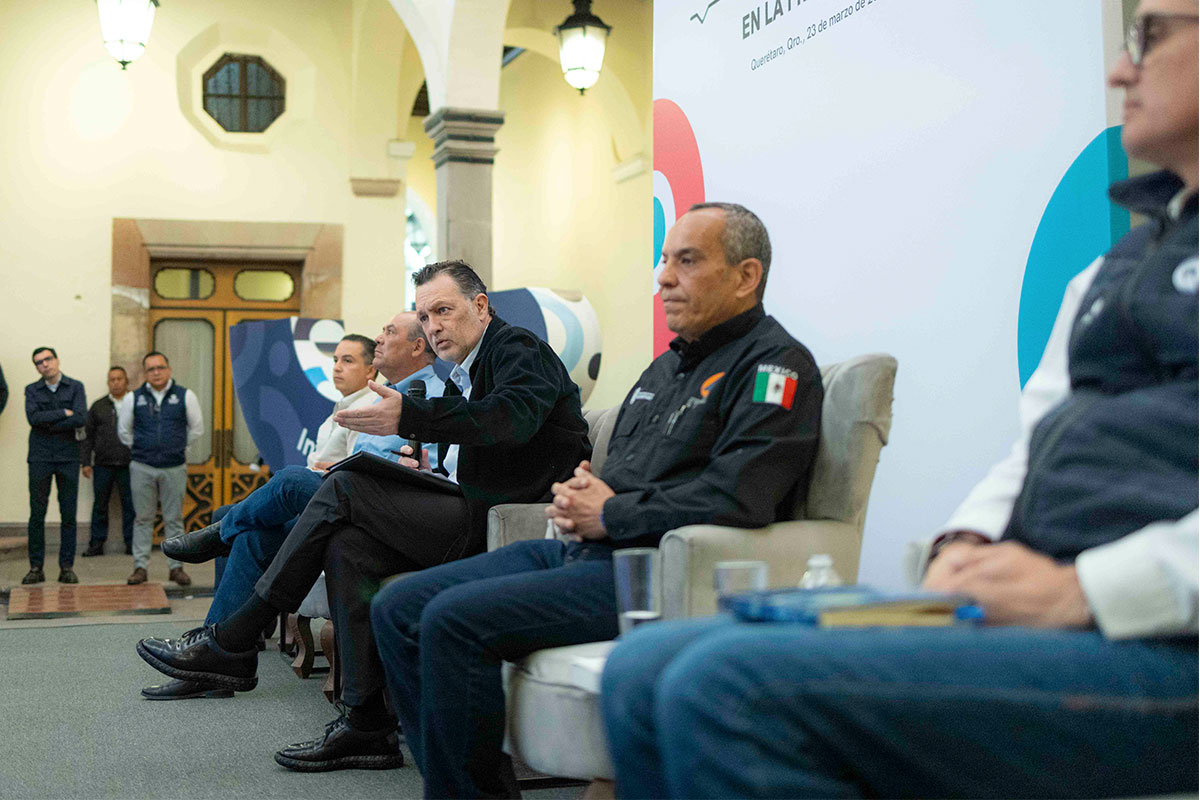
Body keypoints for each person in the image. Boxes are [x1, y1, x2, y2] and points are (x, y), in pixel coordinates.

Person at [599, 5, 1198, 796]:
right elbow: (1035, 444)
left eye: (1151, 36)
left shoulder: (775, 363)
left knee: (726, 688)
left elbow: (736, 490)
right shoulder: (1112, 270)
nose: (1121, 68)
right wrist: (964, 543)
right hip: (1048, 599)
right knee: (641, 669)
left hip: (1159, 632)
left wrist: (1085, 589)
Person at [362, 203, 825, 798]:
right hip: (579, 548)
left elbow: (740, 494)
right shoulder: (666, 367)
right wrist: (582, 491)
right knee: (396, 605)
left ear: (746, 276)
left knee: (450, 620)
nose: (663, 277)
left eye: (686, 261)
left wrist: (609, 511)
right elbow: (617, 471)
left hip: (648, 565)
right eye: (664, 261)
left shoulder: (775, 366)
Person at [136, 260, 592, 772]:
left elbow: (511, 420)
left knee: (343, 485)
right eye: (426, 316)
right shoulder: (464, 371)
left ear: (480, 306)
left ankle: (236, 637)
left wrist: (411, 418)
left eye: (443, 310)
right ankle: (366, 724)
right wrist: (426, 463)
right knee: (348, 545)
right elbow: (481, 449)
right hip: (466, 505)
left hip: (504, 522)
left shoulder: (517, 347)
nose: (434, 326)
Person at [141, 322, 440, 700]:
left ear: (417, 347)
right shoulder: (383, 399)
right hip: (351, 501)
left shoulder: (435, 397)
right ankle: (214, 663)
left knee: (293, 481)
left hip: (387, 515)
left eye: (389, 332)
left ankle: (218, 535)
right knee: (255, 535)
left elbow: (433, 474)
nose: (379, 337)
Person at [118, 351, 203, 587]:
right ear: (145, 373)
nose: (156, 372)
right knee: (142, 519)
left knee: (174, 519)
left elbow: (197, 429)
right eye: (151, 369)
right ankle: (140, 567)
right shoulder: (133, 398)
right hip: (142, 467)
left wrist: (177, 447)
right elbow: (124, 432)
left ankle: (176, 568)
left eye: (160, 368)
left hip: (174, 467)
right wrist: (143, 448)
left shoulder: (185, 396)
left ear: (169, 369)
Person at [23, 347, 87, 585]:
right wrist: (62, 413)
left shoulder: (75, 386)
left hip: (68, 457)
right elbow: (33, 419)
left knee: (68, 513)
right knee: (37, 514)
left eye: (48, 359)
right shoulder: (32, 389)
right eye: (39, 362)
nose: (44, 364)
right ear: (36, 367)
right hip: (40, 457)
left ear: (57, 360)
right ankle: (35, 567)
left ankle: (67, 567)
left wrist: (48, 423)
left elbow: (80, 417)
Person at [80, 366, 135, 558]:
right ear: (108, 383)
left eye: (120, 379)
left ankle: (132, 544)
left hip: (130, 464)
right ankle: (96, 544)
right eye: (112, 379)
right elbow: (87, 436)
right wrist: (85, 462)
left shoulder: (136, 403)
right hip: (103, 464)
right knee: (100, 506)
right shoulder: (98, 406)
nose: (116, 383)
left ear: (126, 381)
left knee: (131, 505)